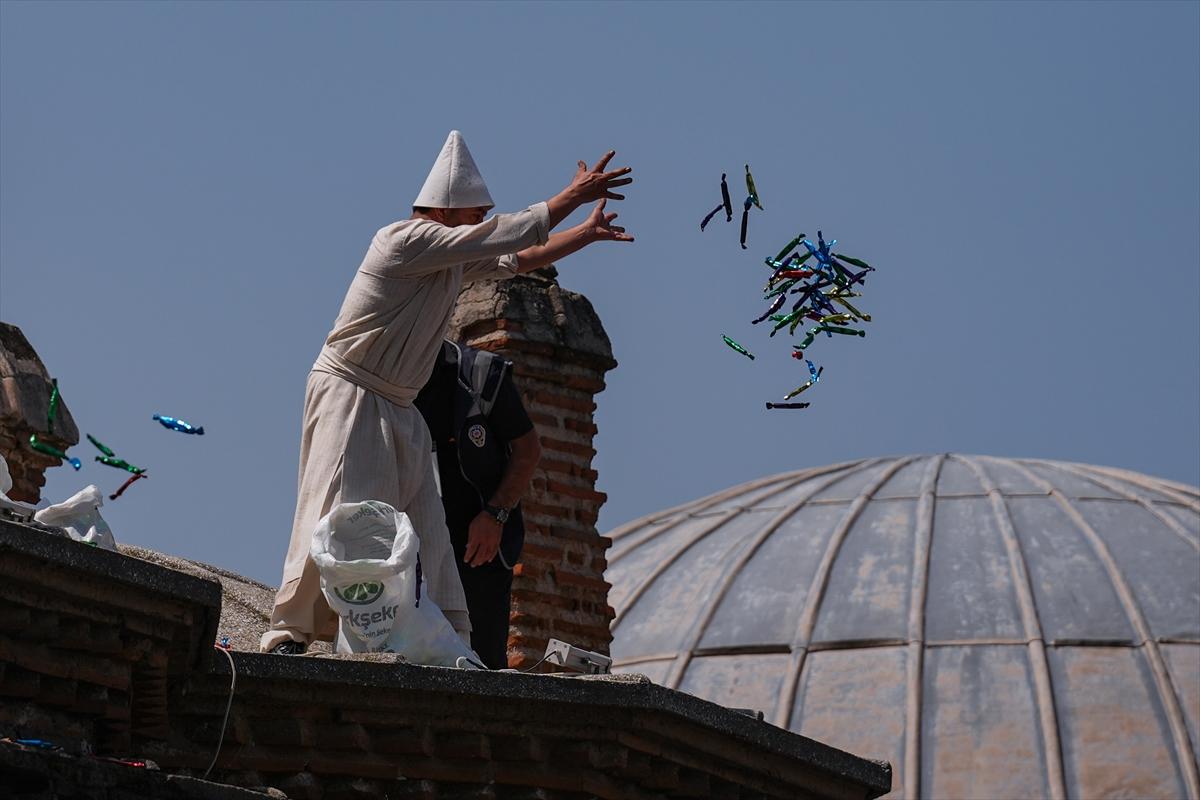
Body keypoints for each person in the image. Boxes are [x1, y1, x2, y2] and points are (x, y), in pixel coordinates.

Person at [260, 131, 633, 654]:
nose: (482, 222)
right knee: (342, 508)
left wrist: (584, 232)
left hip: (397, 404)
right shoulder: (404, 241)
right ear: (447, 211)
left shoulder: (447, 260)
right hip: (353, 393)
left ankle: (435, 642)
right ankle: (291, 631)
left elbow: (518, 258)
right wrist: (570, 196)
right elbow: (505, 237)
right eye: (476, 212)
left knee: (420, 524)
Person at [415, 340, 540, 669]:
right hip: (413, 547)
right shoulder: (386, 377)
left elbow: (527, 449)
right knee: (417, 661)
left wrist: (495, 515)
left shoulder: (479, 373)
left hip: (478, 549)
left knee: (482, 664)